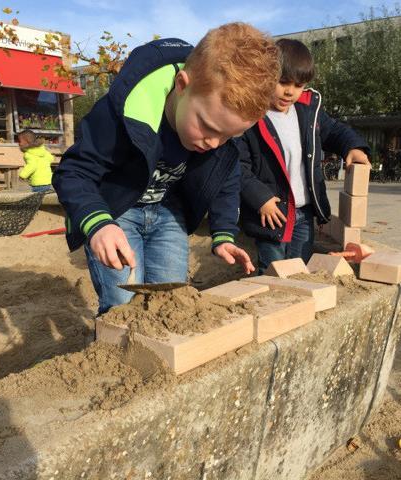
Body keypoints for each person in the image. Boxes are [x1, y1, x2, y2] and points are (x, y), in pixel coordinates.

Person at [53, 23, 279, 314]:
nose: (214, 142)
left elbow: (227, 177)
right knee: (122, 304)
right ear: (182, 86)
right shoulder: (125, 112)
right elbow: (73, 172)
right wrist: (98, 225)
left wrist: (223, 234)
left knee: (172, 301)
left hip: (169, 213)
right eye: (208, 127)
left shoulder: (217, 133)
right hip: (116, 212)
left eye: (228, 136)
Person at [238, 38, 371, 274]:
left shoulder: (308, 111)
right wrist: (260, 198)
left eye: (298, 85)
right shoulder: (250, 118)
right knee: (273, 271)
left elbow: (336, 131)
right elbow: (238, 166)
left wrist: (353, 147)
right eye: (283, 82)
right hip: (272, 216)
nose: (290, 91)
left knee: (301, 271)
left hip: (305, 213)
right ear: (265, 76)